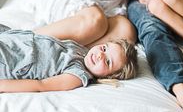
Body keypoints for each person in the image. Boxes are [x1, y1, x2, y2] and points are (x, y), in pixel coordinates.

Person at [0, 24, 138, 93]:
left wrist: (3, 85)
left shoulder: (78, 75)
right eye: (103, 48)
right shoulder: (82, 51)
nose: (101, 55)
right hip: (13, 37)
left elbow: (41, 85)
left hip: (13, 59)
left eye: (108, 62)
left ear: (109, 76)